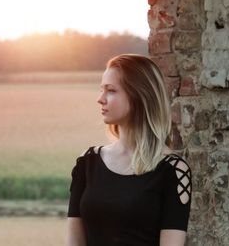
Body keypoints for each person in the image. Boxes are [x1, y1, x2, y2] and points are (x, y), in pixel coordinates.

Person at [66, 54, 192, 246]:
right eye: (102, 90)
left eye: (111, 90)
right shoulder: (87, 163)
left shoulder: (173, 170)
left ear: (139, 95)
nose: (100, 99)